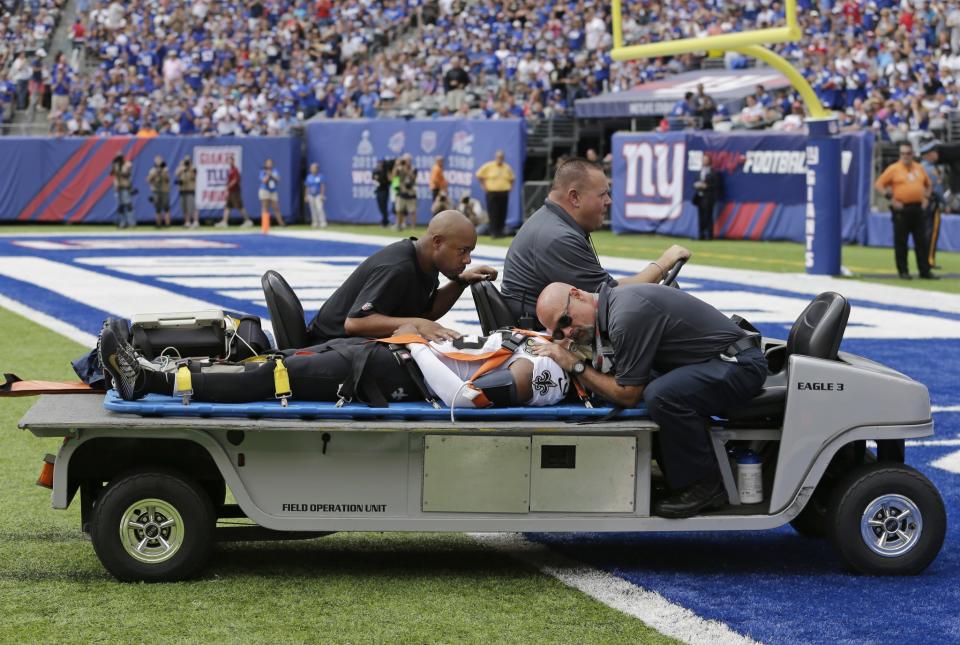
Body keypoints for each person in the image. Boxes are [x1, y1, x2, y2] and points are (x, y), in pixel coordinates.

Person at [533, 281, 767, 518]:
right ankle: (677, 474)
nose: (568, 331)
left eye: (565, 320)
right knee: (650, 387)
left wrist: (574, 364)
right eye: (558, 333)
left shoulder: (625, 316)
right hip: (716, 360)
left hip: (740, 366)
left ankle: (704, 485)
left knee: (662, 395)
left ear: (577, 295)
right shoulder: (616, 306)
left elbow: (628, 394)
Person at [98, 325, 569, 410]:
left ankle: (148, 381)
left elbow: (467, 398)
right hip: (388, 357)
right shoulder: (544, 343)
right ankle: (157, 370)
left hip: (394, 373)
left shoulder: (548, 371)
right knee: (279, 362)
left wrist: (417, 345)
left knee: (272, 378)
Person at [501, 157, 690, 325]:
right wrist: (665, 262)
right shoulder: (557, 238)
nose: (608, 201)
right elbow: (614, 297)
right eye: (602, 194)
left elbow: (608, 290)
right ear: (574, 197)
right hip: (543, 334)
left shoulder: (551, 223)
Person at [305, 210, 498, 343]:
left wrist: (461, 282)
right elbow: (355, 323)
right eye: (462, 251)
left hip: (346, 346)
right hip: (326, 346)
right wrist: (418, 324)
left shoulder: (426, 263)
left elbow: (426, 313)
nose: (468, 260)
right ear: (437, 242)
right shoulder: (398, 268)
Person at [875, 143, 936, 280]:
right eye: (902, 153)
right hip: (901, 209)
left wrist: (926, 197)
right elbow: (879, 184)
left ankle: (924, 270)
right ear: (900, 155)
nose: (905, 156)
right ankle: (903, 271)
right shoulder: (894, 168)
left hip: (918, 208)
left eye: (908, 153)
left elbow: (928, 185)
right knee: (901, 242)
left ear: (912, 154)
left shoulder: (919, 168)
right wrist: (890, 198)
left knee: (922, 241)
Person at [475, 149, 515, 238]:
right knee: (493, 213)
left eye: (501, 157)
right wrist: (483, 186)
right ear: (495, 157)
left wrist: (510, 187)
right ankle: (493, 232)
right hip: (492, 193)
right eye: (498, 157)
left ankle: (500, 232)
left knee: (502, 213)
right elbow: (479, 175)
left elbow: (512, 178)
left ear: (503, 158)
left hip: (504, 193)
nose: (500, 158)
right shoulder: (489, 166)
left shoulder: (506, 167)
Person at [919, 141, 944, 269]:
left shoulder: (921, 167)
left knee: (926, 232)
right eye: (933, 152)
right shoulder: (930, 169)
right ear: (927, 154)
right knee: (932, 232)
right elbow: (937, 189)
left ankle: (926, 259)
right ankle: (929, 260)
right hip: (932, 203)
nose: (936, 154)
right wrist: (944, 202)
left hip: (925, 203)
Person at [216, 158, 254, 227]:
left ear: (233, 161)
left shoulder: (235, 170)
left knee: (240, 206)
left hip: (235, 192)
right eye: (228, 160)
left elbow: (235, 180)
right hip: (230, 192)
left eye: (231, 160)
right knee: (228, 207)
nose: (229, 162)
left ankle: (248, 221)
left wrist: (228, 186)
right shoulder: (230, 170)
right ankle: (224, 222)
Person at [692, 153, 722, 240]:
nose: (704, 161)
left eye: (706, 160)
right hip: (700, 196)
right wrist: (697, 185)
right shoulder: (699, 172)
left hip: (709, 197)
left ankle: (709, 235)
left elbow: (717, 185)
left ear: (709, 161)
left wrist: (707, 186)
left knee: (708, 216)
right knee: (701, 216)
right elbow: (695, 182)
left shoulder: (713, 172)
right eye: (703, 159)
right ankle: (701, 235)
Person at [109, 154, 135, 228]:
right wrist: (114, 166)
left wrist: (120, 170)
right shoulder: (116, 166)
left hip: (125, 187)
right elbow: (111, 173)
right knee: (120, 206)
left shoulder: (126, 165)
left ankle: (131, 222)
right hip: (118, 188)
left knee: (128, 205)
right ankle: (122, 222)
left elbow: (126, 174)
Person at [146, 156, 171, 228]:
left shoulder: (165, 169)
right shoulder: (152, 170)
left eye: (159, 161)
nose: (158, 162)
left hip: (164, 190)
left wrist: (162, 171)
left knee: (166, 208)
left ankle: (167, 223)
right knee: (157, 209)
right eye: (157, 161)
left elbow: (167, 179)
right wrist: (155, 173)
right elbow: (148, 180)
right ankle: (158, 223)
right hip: (156, 191)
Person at [394, 155, 418, 230]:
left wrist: (406, 169)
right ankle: (398, 225)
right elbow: (394, 176)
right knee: (399, 210)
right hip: (401, 191)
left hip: (411, 192)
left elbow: (413, 178)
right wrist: (396, 165)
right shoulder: (399, 168)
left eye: (408, 160)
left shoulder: (413, 169)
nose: (407, 162)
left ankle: (413, 227)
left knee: (412, 210)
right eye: (405, 160)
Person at [259, 158, 284, 226]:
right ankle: (265, 225)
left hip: (273, 191)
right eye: (268, 162)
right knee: (265, 207)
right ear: (265, 164)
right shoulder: (262, 171)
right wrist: (267, 175)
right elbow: (264, 181)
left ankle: (281, 224)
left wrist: (271, 174)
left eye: (271, 162)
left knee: (276, 208)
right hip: (264, 190)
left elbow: (278, 179)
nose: (269, 164)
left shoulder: (275, 171)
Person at [175, 156, 197, 228]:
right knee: (185, 207)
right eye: (186, 161)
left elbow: (194, 175)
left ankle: (195, 221)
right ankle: (187, 222)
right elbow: (177, 174)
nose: (187, 162)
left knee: (192, 207)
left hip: (190, 189)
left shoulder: (192, 168)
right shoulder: (181, 168)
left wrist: (189, 168)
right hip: (183, 189)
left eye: (188, 161)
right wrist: (182, 167)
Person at [305, 162, 327, 228]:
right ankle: (315, 222)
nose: (312, 169)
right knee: (313, 209)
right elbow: (307, 187)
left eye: (314, 168)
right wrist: (306, 196)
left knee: (319, 209)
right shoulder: (309, 177)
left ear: (317, 169)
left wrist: (322, 195)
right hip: (311, 195)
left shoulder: (320, 176)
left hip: (318, 195)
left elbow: (322, 186)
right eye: (311, 168)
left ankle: (323, 222)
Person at [372, 159, 392, 227]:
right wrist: (377, 182)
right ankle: (385, 220)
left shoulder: (385, 172)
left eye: (381, 163)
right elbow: (373, 179)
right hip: (378, 191)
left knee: (384, 207)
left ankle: (385, 221)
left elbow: (389, 182)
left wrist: (380, 182)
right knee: (380, 206)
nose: (380, 164)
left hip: (384, 191)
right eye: (379, 163)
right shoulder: (376, 171)